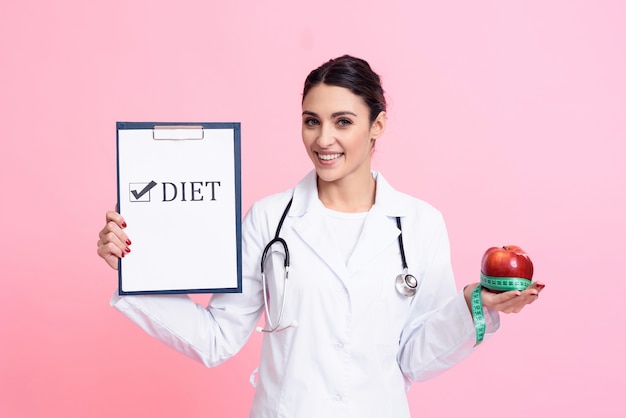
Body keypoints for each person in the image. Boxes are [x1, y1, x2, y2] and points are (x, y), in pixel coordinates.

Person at [97, 55, 544, 417]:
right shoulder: (268, 219)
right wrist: (135, 270)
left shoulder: (420, 224)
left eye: (343, 121)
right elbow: (217, 339)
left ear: (378, 126)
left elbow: (414, 360)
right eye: (312, 121)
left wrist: (474, 305)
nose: (323, 138)